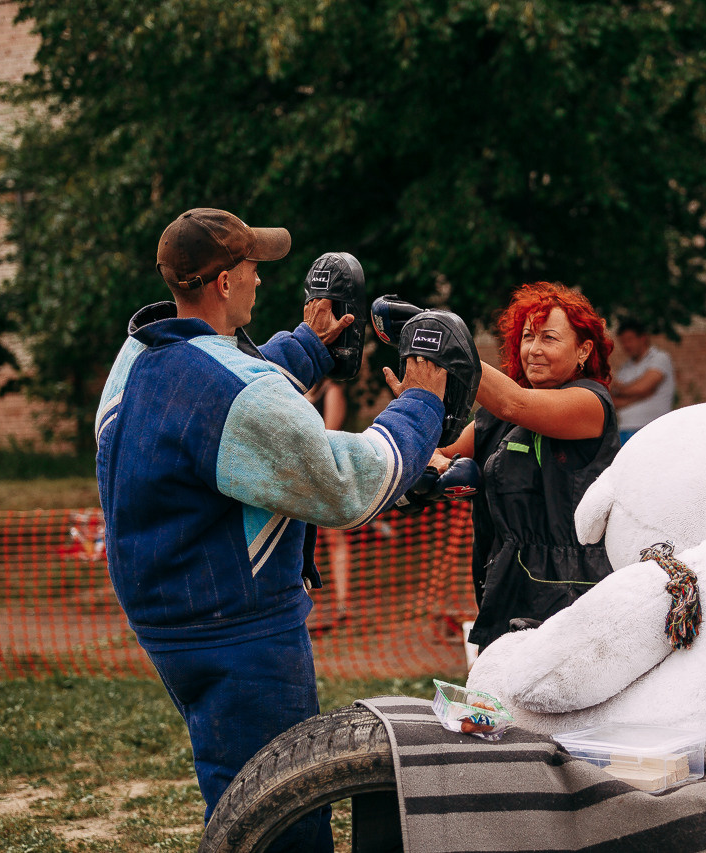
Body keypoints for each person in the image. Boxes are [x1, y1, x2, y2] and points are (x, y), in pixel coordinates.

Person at [95, 207, 447, 850]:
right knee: (281, 819)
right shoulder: (232, 393)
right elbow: (346, 484)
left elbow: (219, 405)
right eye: (253, 267)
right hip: (241, 633)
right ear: (224, 282)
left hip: (174, 625)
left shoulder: (141, 356)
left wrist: (309, 346)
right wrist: (422, 405)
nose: (261, 279)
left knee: (238, 799)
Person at [434, 281, 619, 650]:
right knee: (497, 687)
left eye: (549, 338)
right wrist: (436, 463)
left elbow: (514, 402)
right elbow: (440, 451)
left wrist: (451, 347)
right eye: (528, 337)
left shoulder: (591, 403)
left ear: (583, 350)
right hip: (504, 584)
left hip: (571, 595)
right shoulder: (496, 419)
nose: (534, 349)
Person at [304, 378, 350, 632]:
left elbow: (328, 436)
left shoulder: (331, 391)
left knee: (334, 540)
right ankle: (302, 602)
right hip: (301, 477)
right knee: (299, 541)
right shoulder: (296, 390)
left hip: (326, 475)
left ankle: (342, 604)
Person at [609, 319, 675, 445]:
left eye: (630, 340)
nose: (626, 345)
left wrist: (620, 389)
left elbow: (642, 387)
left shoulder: (659, 358)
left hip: (653, 430)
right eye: (623, 342)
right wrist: (638, 396)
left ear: (643, 338)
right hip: (624, 431)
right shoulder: (625, 368)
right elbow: (612, 401)